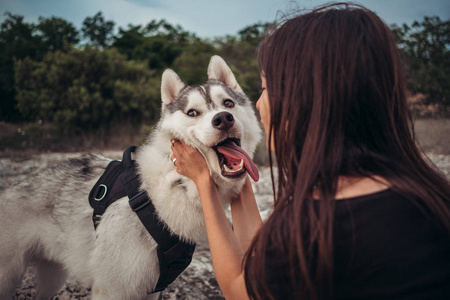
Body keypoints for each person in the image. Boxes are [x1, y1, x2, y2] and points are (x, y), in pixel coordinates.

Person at [170, 3, 450, 300]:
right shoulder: (426, 193)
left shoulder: (318, 226)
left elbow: (241, 291)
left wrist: (204, 183)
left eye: (265, 88)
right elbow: (261, 265)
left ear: (306, 99)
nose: (259, 104)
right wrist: (236, 166)